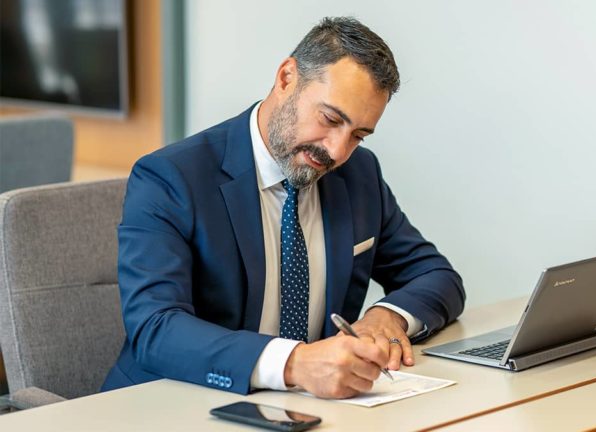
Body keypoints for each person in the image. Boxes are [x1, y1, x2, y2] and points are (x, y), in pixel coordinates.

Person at [101, 16, 465, 399]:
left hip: (309, 412)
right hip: (174, 403)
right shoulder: (171, 178)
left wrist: (386, 317)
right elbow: (156, 329)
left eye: (358, 135)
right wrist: (295, 364)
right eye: (330, 119)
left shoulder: (359, 174)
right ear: (287, 78)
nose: (337, 151)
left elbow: (437, 276)